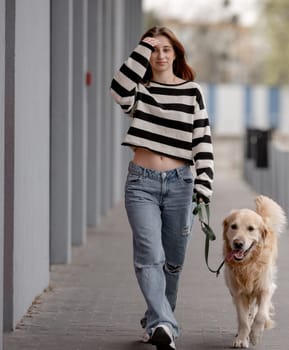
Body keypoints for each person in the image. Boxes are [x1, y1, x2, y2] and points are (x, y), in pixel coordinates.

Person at [110, 26, 214, 350]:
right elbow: (117, 89)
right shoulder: (138, 92)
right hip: (141, 182)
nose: (160, 55)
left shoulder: (191, 91)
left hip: (181, 184)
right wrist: (143, 46)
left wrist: (205, 184)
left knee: (172, 262)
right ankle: (165, 326)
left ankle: (155, 320)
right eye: (154, 49)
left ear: (176, 54)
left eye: (166, 49)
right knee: (149, 256)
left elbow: (202, 139)